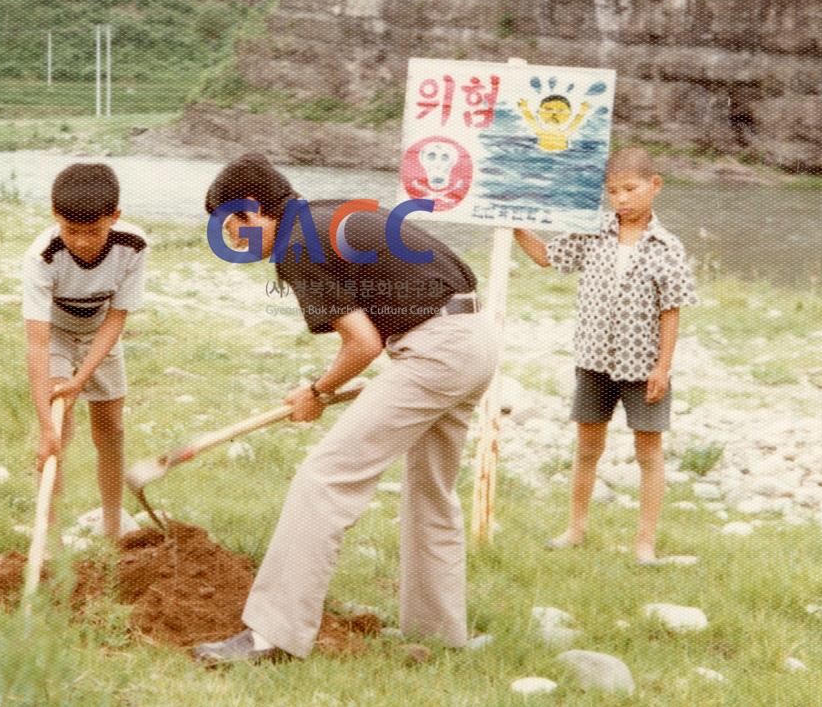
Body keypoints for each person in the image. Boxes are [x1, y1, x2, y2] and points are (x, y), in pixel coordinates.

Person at [192, 153, 497, 664]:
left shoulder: (296, 244)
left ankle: (272, 636)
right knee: (431, 491)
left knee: (325, 477)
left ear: (251, 213)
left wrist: (317, 391)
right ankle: (440, 634)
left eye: (234, 229)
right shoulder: (325, 213)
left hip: (436, 349)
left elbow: (361, 342)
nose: (238, 243)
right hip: (474, 338)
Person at [512, 146, 697, 563]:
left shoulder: (667, 246)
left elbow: (671, 311)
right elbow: (547, 257)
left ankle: (645, 543)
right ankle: (576, 528)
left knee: (648, 453)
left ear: (655, 186)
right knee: (587, 449)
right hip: (593, 361)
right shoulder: (592, 233)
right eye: (613, 191)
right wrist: (515, 226)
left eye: (630, 189)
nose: (622, 199)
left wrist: (662, 368)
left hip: (643, 366)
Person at [21, 163, 146, 541]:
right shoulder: (42, 256)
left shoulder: (133, 246)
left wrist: (82, 378)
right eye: (71, 230)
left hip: (100, 334)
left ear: (114, 217)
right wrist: (46, 425)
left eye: (93, 231)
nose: (82, 241)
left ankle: (112, 526)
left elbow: (116, 318)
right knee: (59, 426)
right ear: (56, 217)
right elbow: (37, 342)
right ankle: (51, 535)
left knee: (111, 430)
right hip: (56, 333)